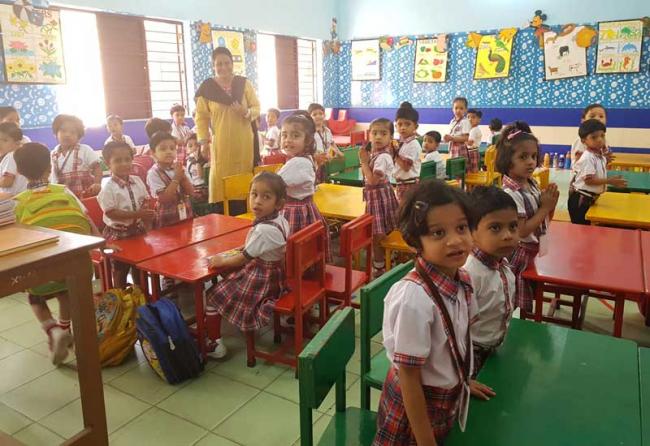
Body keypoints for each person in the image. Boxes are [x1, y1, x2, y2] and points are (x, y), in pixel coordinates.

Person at [373, 180, 495, 446]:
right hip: (413, 414)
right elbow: (409, 379)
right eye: (438, 233)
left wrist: (462, 381)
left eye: (461, 228)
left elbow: (456, 340)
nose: (455, 240)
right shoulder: (414, 299)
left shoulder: (462, 279)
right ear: (416, 242)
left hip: (445, 400)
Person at [13, 143, 95, 365]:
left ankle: (52, 329)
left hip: (42, 269)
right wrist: (99, 242)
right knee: (64, 291)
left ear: (19, 171)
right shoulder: (64, 191)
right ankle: (65, 327)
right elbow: (86, 218)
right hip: (73, 264)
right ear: (50, 167)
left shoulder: (18, 202)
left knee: (35, 297)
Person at [204, 172, 289, 358]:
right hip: (275, 276)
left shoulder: (264, 230)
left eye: (266, 197)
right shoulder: (280, 220)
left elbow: (243, 259)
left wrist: (221, 260)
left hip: (261, 281)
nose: (257, 201)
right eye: (254, 194)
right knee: (228, 275)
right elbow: (259, 248)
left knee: (212, 296)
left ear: (279, 204)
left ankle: (215, 344)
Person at [496, 121, 559, 313]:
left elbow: (542, 219)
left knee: (529, 290)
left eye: (533, 156)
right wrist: (545, 208)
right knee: (515, 298)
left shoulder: (530, 183)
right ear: (507, 160)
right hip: (520, 254)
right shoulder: (511, 192)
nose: (531, 162)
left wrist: (550, 206)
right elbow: (522, 231)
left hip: (534, 247)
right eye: (523, 157)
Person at [464, 186, 519, 375]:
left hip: (492, 350)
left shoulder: (502, 263)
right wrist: (463, 378)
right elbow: (450, 332)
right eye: (495, 228)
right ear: (471, 231)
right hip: (468, 357)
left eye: (513, 226)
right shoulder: (469, 274)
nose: (508, 235)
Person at [195, 47, 261, 205]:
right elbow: (201, 117)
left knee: (243, 176)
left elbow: (257, 108)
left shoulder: (244, 83)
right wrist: (203, 142)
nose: (223, 67)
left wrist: (246, 112)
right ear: (213, 66)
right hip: (221, 143)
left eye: (227, 63)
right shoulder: (208, 88)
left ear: (232, 63)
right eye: (219, 64)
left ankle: (244, 209)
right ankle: (221, 211)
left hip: (244, 142)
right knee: (220, 176)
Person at [97, 141, 154, 288]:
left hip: (137, 230)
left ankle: (140, 292)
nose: (124, 164)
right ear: (107, 164)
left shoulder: (137, 180)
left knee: (139, 265)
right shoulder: (108, 188)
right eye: (118, 160)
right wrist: (138, 214)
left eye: (127, 159)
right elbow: (111, 213)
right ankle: (120, 294)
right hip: (118, 234)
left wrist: (145, 213)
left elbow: (145, 199)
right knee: (120, 269)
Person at [277, 111, 331, 258]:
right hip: (304, 209)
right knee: (305, 253)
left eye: (295, 136)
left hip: (294, 213)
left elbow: (275, 184)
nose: (288, 140)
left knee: (292, 252)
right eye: (284, 135)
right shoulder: (304, 158)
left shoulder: (298, 162)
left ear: (307, 141)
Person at [359, 118, 399, 278]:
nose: (378, 137)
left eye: (383, 133)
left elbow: (372, 181)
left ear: (391, 137)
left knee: (377, 234)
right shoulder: (376, 154)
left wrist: (363, 162)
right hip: (378, 196)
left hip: (379, 197)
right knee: (382, 231)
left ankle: (380, 266)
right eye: (374, 133)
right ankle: (389, 259)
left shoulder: (382, 157)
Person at [568, 119, 626, 225]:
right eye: (594, 137)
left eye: (602, 136)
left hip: (589, 199)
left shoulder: (599, 156)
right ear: (583, 141)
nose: (599, 140)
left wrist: (605, 160)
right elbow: (589, 181)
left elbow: (597, 169)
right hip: (581, 201)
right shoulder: (588, 157)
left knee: (588, 229)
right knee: (580, 230)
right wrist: (610, 181)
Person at [146, 131, 193, 228]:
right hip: (167, 219)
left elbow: (191, 192)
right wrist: (176, 178)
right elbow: (164, 199)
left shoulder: (180, 168)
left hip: (185, 213)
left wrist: (183, 177)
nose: (168, 152)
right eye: (163, 149)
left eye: (172, 148)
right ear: (153, 153)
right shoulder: (153, 173)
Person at [50, 114, 102, 198]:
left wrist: (97, 183)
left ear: (79, 136)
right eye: (63, 130)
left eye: (72, 132)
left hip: (86, 193)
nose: (67, 134)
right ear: (55, 133)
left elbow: (97, 168)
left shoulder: (85, 149)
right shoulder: (53, 155)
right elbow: (52, 178)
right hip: (64, 196)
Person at [393, 102, 422, 201]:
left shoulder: (413, 144)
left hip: (409, 185)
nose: (403, 127)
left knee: (406, 209)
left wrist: (394, 153)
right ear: (396, 126)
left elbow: (406, 167)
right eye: (400, 124)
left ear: (415, 126)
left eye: (407, 124)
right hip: (401, 184)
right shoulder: (402, 143)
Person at [570, 103, 611, 169]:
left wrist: (605, 159)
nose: (597, 119)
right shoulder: (582, 141)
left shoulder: (604, 140)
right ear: (583, 120)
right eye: (592, 116)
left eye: (601, 116)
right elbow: (579, 163)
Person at [443, 97, 472, 173]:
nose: (458, 110)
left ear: (466, 110)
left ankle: (461, 180)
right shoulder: (452, 121)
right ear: (452, 109)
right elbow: (452, 134)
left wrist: (452, 138)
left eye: (461, 108)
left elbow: (466, 137)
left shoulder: (465, 121)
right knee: (454, 169)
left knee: (460, 170)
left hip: (461, 149)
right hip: (453, 148)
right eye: (456, 108)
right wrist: (447, 138)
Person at [0, 122, 28, 196]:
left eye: (5, 140)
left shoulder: (12, 156)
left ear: (17, 142)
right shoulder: (23, 155)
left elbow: (7, 182)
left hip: (13, 198)